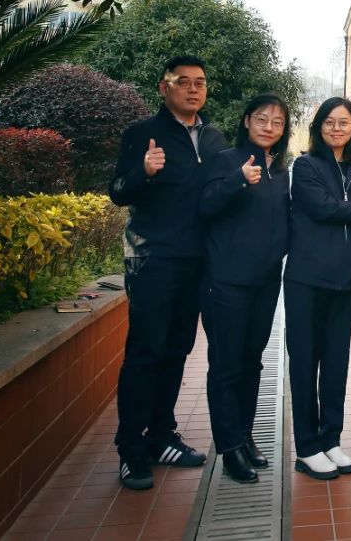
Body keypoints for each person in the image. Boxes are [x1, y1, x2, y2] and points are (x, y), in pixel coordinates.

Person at [109, 55, 228, 491]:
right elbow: (117, 191)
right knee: (146, 352)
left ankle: (161, 436)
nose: (193, 89)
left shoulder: (214, 138)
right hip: (153, 259)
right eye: (184, 82)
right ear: (164, 88)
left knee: (177, 350)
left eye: (200, 82)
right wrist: (142, 172)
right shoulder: (142, 133)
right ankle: (130, 448)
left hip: (197, 262)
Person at [286, 97, 351, 481]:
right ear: (319, 126)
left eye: (344, 123)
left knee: (335, 363)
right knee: (305, 362)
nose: (337, 128)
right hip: (307, 280)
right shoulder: (305, 166)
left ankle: (330, 439)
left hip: (348, 283)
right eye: (330, 122)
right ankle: (307, 447)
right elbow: (322, 207)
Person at [199, 94, 292, 483]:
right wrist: (238, 180)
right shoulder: (226, 160)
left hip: (265, 281)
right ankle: (229, 448)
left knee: (253, 361)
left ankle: (244, 435)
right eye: (262, 119)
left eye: (277, 122)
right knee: (227, 364)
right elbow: (204, 206)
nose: (269, 127)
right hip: (226, 281)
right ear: (247, 120)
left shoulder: (280, 172)